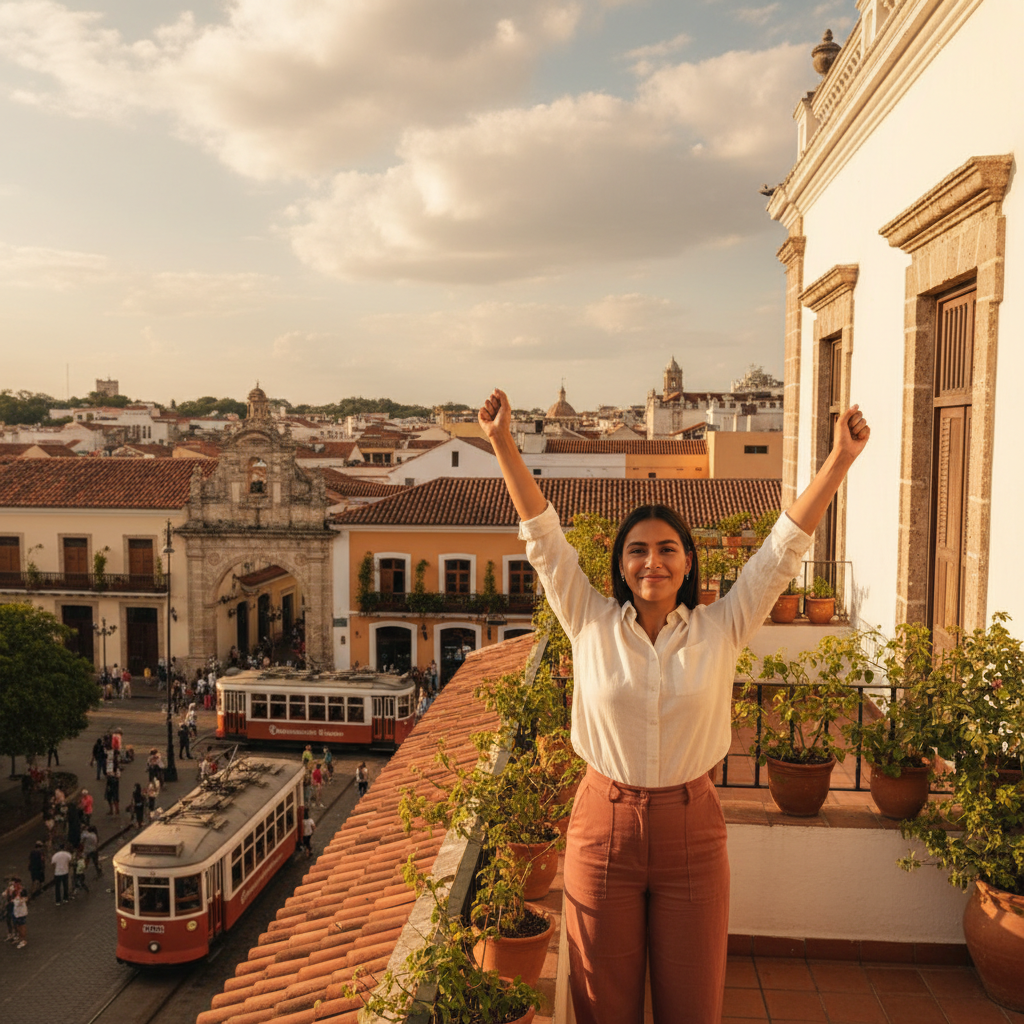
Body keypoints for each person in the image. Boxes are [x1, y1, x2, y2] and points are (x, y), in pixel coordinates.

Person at [478, 387, 870, 1024]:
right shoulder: (589, 621)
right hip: (602, 827)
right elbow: (543, 538)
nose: (652, 560)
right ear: (621, 564)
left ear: (687, 562)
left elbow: (781, 552)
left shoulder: (721, 626)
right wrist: (501, 443)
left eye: (666, 549)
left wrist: (839, 461)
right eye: (638, 549)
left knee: (693, 1004)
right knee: (604, 1004)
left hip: (692, 828)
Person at [12, 883, 28, 948]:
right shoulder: (18, 898)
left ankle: (23, 940)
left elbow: (17, 903)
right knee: (18, 926)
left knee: (22, 926)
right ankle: (20, 938)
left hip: (21, 914)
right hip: (17, 914)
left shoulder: (21, 899)